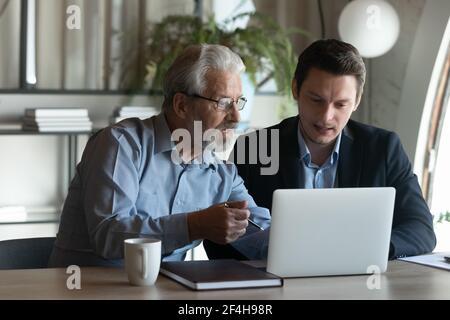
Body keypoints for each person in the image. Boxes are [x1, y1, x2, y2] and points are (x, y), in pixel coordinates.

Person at [205, 39, 436, 260]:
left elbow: (421, 229)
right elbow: (219, 239)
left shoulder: (384, 149)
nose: (327, 116)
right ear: (296, 88)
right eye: (317, 100)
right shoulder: (254, 148)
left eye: (341, 104)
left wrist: (368, 249)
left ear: (356, 101)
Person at [48, 44, 270, 267]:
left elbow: (261, 237)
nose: (236, 117)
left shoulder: (222, 174)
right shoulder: (121, 145)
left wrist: (292, 242)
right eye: (223, 103)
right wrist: (193, 225)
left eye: (238, 101)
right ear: (182, 105)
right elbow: (109, 236)